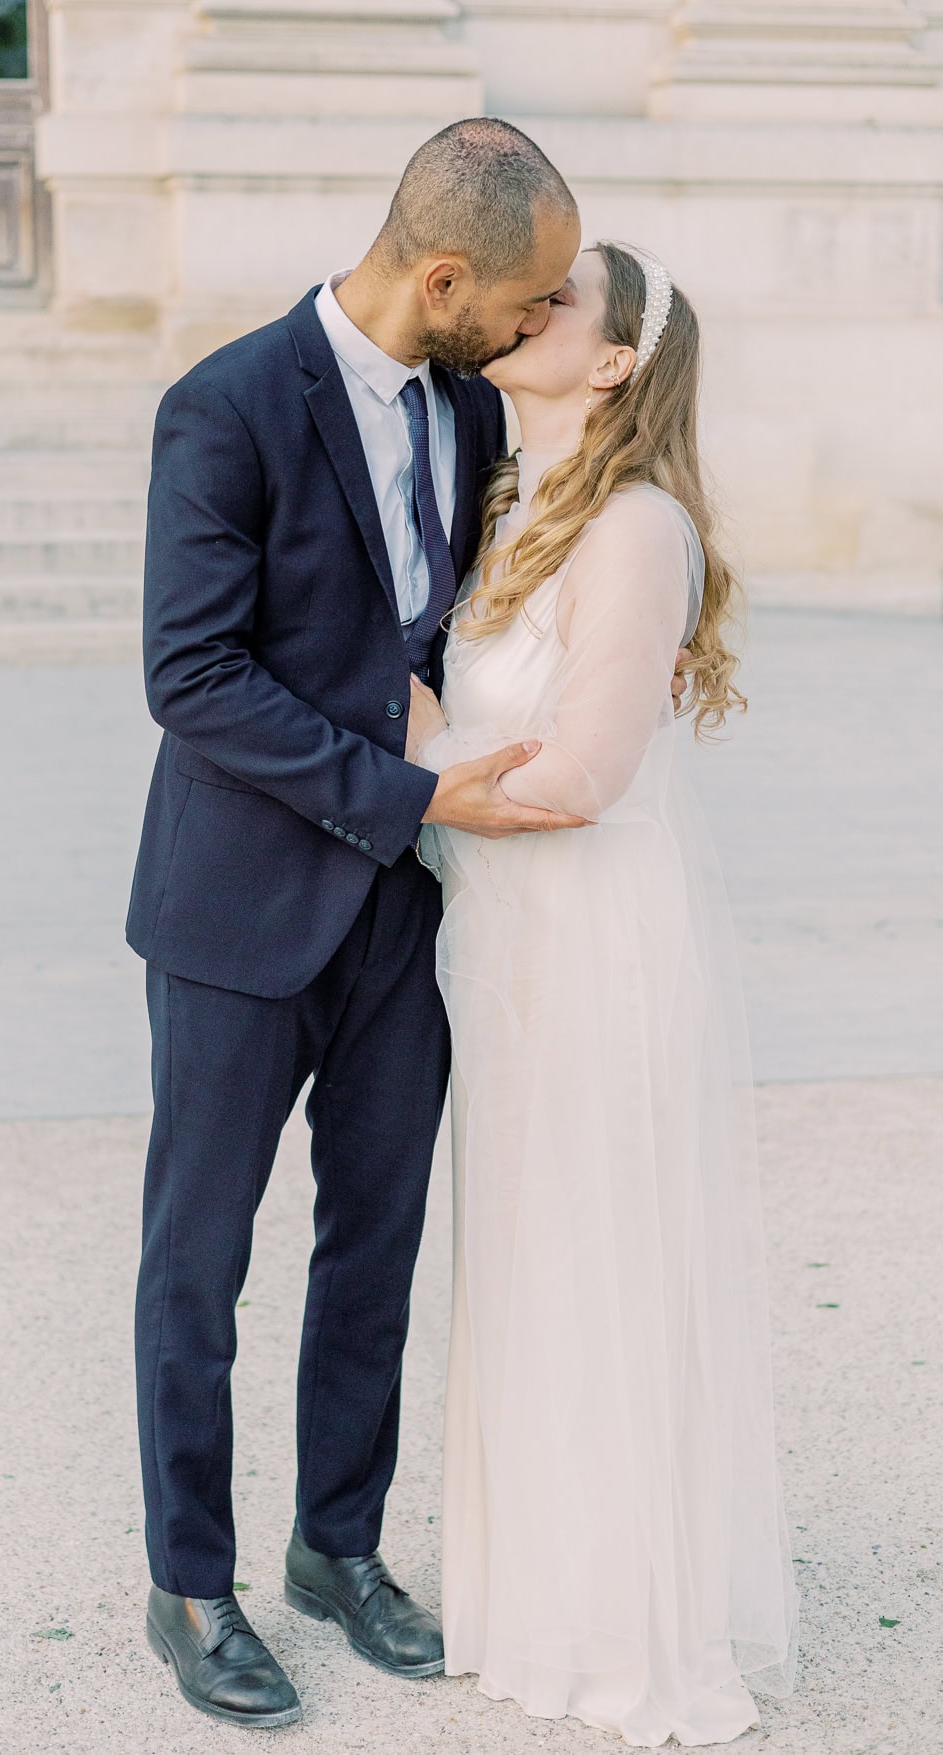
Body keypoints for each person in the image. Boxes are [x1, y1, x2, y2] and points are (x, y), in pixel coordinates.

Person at [125, 118, 590, 1729]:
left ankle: (339, 1549)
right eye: (523, 304)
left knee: (373, 1248)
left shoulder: (471, 407)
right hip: (236, 913)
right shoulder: (228, 403)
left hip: (405, 917)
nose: (535, 329)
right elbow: (189, 677)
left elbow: (469, 617)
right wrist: (412, 799)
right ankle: (190, 1583)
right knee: (196, 1266)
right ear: (441, 273)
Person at [406, 241, 799, 1747]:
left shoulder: (634, 529)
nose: (524, 303)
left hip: (588, 946)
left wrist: (397, 726)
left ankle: (621, 1625)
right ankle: (531, 1603)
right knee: (522, 1257)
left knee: (597, 1254)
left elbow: (576, 777)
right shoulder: (509, 505)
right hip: (494, 943)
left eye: (557, 298)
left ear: (617, 361)